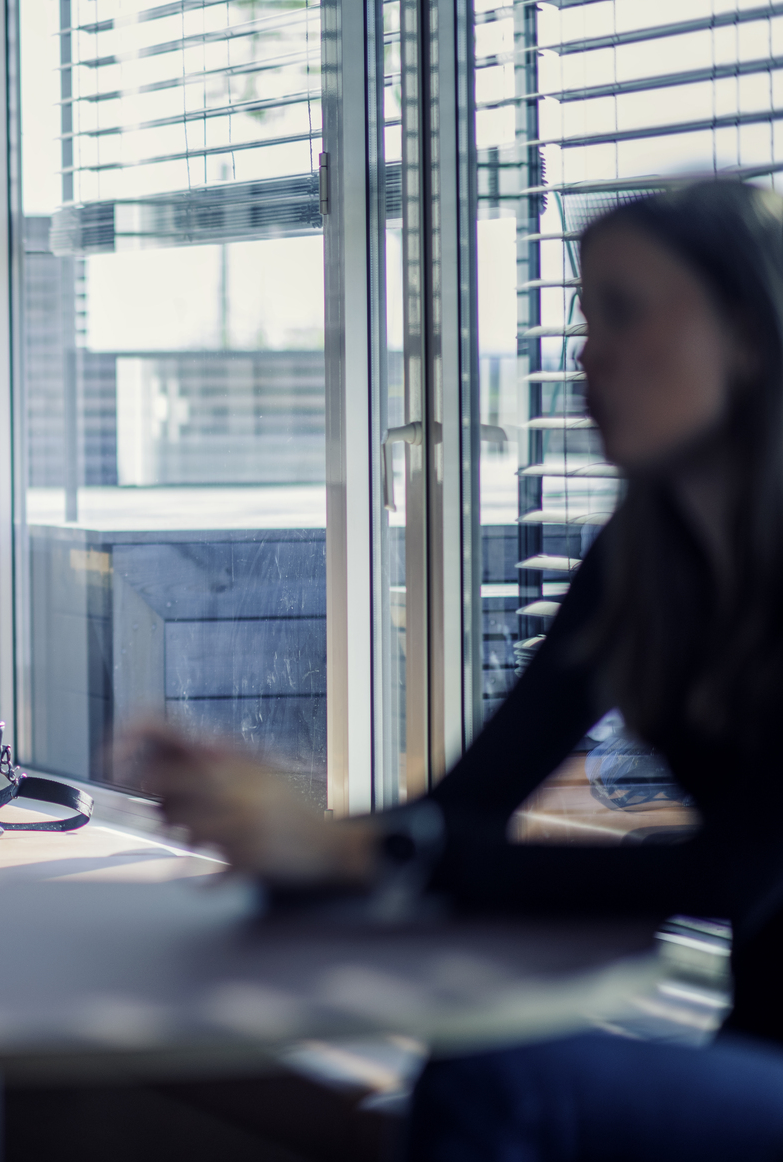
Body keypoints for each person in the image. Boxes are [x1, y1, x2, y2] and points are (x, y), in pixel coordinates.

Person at [134, 181, 783, 1159]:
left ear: (747, 334)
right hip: (756, 1054)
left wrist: (378, 857)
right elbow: (471, 806)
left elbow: (741, 870)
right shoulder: (642, 561)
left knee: (493, 1084)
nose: (585, 355)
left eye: (624, 312)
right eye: (581, 313)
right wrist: (289, 837)